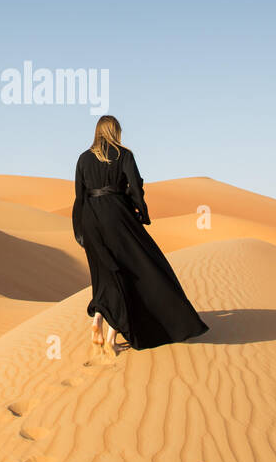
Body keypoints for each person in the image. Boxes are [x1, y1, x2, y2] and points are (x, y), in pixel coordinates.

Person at [71, 115, 209, 352]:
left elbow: (79, 195)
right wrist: (141, 213)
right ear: (115, 131)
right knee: (132, 270)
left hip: (90, 219)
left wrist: (80, 229)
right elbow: (135, 187)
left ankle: (99, 319)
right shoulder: (124, 155)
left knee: (104, 272)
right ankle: (113, 337)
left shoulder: (83, 158)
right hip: (117, 216)